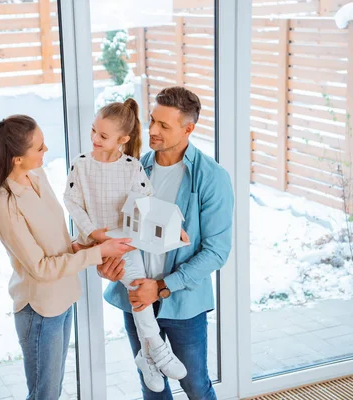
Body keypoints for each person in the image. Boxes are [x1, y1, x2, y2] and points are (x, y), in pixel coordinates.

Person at [0, 115, 133, 400]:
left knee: (52, 389)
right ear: (17, 158)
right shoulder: (4, 204)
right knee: (45, 394)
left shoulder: (37, 176)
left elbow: (53, 238)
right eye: (39, 148)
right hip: (39, 310)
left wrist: (82, 243)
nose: (46, 151)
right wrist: (96, 253)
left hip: (63, 299)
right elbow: (40, 268)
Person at [99, 87, 234, 400]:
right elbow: (120, 230)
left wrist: (161, 286)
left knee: (195, 385)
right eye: (151, 121)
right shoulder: (134, 168)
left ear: (188, 129)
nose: (152, 131)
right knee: (152, 386)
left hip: (182, 300)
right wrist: (109, 265)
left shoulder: (211, 178)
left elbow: (216, 251)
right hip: (135, 295)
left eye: (164, 125)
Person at [63, 99, 189, 392]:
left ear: (123, 139)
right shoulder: (81, 165)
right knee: (137, 285)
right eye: (94, 131)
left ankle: (149, 355)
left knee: (137, 286)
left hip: (125, 241)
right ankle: (156, 348)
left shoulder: (132, 167)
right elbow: (71, 201)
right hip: (96, 241)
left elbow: (148, 204)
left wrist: (175, 228)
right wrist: (94, 233)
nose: (95, 139)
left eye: (103, 136)